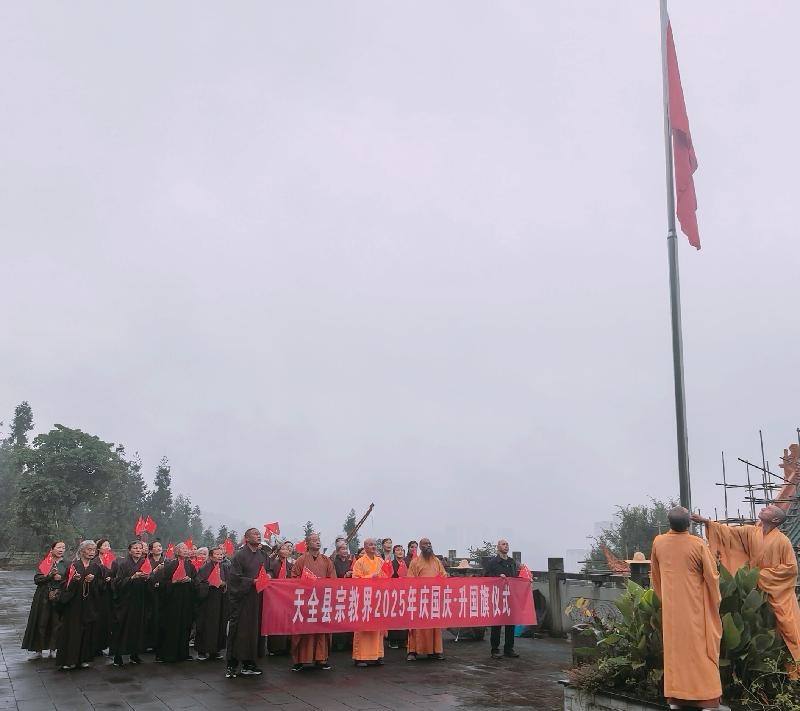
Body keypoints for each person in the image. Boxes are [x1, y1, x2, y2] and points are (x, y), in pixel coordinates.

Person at [693, 506, 800, 676]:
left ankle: (793, 672)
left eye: (769, 509)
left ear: (775, 520)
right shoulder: (752, 532)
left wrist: (758, 575)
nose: (764, 508)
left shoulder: (783, 541)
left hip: (778, 593)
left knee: (788, 630)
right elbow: (728, 533)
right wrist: (707, 522)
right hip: (754, 591)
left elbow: (790, 569)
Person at [653, 507, 722, 710]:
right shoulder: (698, 544)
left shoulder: (658, 542)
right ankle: (706, 697)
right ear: (689, 524)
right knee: (701, 651)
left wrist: (666, 598)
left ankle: (677, 697)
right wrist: (714, 600)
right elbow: (712, 577)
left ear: (669, 523)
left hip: (671, 610)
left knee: (675, 652)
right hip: (695, 607)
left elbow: (655, 576)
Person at [56, 540, 104, 670]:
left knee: (87, 631)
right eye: (89, 549)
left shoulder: (96, 567)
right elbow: (64, 585)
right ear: (82, 551)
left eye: (93, 550)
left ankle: (84, 659)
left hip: (89, 604)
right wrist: (74, 581)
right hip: (74, 605)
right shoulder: (73, 566)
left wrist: (93, 581)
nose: (91, 552)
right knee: (73, 632)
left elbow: (101, 586)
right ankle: (69, 660)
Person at [290, 532, 335, 672]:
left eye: (318, 540)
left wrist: (322, 584)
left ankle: (321, 659)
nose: (317, 542)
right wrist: (307, 582)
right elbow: (294, 578)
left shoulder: (327, 561)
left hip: (321, 600)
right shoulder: (301, 560)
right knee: (304, 630)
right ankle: (300, 660)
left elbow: (333, 580)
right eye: (314, 540)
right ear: (307, 544)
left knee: (321, 630)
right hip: (305, 601)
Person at [225, 527, 266, 678]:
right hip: (242, 599)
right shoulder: (239, 555)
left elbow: (268, 570)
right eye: (255, 534)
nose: (258, 536)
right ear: (247, 538)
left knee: (254, 631)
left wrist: (268, 575)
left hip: (257, 598)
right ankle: (232, 665)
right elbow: (234, 579)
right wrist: (252, 581)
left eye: (259, 534)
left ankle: (249, 663)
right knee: (239, 631)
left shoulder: (262, 555)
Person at [22, 541, 68, 660]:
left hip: (58, 596)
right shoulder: (47, 562)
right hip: (43, 596)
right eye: (58, 547)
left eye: (63, 548)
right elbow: (37, 579)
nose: (61, 549)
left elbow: (69, 579)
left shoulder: (66, 563)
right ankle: (38, 650)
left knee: (56, 623)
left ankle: (54, 649)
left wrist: (61, 578)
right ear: (52, 549)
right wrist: (50, 576)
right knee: (41, 622)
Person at [406, 537, 447, 661]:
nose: (428, 545)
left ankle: (435, 651)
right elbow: (410, 580)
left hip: (433, 599)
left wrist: (440, 580)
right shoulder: (415, 562)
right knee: (416, 626)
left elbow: (443, 575)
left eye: (429, 543)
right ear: (420, 547)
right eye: (425, 544)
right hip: (420, 599)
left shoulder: (437, 561)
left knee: (434, 626)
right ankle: (412, 651)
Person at [111, 541, 150, 666]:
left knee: (137, 627)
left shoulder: (144, 562)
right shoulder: (123, 564)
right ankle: (118, 655)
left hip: (140, 600)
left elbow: (150, 581)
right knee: (122, 627)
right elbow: (117, 583)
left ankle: (134, 654)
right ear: (129, 551)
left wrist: (147, 578)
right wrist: (132, 578)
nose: (138, 550)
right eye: (135, 548)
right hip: (125, 601)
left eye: (140, 548)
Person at [156, 542, 196, 663]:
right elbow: (162, 584)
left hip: (186, 601)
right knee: (171, 627)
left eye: (186, 549)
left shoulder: (191, 566)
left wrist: (190, 580)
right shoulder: (170, 565)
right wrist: (174, 582)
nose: (185, 550)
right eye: (182, 549)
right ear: (177, 551)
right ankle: (168, 654)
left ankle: (183, 653)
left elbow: (197, 582)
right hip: (172, 601)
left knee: (185, 626)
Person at [351, 538, 386, 667]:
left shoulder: (380, 561)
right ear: (365, 547)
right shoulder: (359, 562)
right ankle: (360, 657)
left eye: (374, 544)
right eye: (370, 545)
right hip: (364, 599)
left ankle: (377, 655)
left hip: (377, 598)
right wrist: (370, 577)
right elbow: (355, 580)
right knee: (363, 628)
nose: (373, 547)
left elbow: (386, 577)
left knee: (377, 628)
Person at [484, 539, 520, 659]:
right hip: (497, 596)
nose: (506, 546)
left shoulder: (512, 562)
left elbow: (516, 577)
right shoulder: (493, 562)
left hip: (510, 596)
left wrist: (526, 580)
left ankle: (509, 649)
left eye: (507, 544)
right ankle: (495, 650)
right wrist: (498, 577)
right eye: (503, 544)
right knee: (497, 624)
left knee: (510, 624)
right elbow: (486, 577)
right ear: (498, 547)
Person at [195, 546, 229, 661]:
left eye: (221, 554)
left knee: (219, 624)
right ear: (210, 556)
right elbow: (198, 584)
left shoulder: (225, 567)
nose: (220, 556)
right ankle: (202, 651)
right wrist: (209, 584)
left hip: (221, 600)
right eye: (217, 554)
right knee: (205, 625)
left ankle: (215, 650)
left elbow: (230, 581)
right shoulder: (204, 568)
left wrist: (224, 583)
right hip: (207, 601)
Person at [267, 541, 294, 656]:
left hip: (288, 596)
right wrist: (269, 576)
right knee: (276, 620)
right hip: (275, 596)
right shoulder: (273, 564)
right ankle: (275, 648)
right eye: (283, 549)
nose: (285, 551)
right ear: (278, 551)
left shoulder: (291, 565)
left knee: (287, 621)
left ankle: (287, 646)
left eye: (287, 549)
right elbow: (270, 574)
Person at [93, 538, 117, 656]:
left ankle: (105, 644)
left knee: (108, 619)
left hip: (109, 593)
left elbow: (117, 575)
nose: (108, 547)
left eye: (109, 545)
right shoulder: (95, 561)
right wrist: (102, 580)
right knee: (97, 619)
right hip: (97, 594)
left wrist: (111, 579)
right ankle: (95, 646)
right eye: (105, 545)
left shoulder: (113, 561)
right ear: (98, 548)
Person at [387, 544, 408, 650]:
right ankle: (393, 640)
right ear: (394, 552)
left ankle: (403, 640)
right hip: (393, 593)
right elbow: (387, 577)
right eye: (398, 550)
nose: (400, 552)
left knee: (404, 617)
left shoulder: (406, 564)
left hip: (404, 593)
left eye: (402, 550)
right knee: (394, 617)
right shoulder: (391, 564)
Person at [145, 541, 165, 651]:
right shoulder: (147, 561)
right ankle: (148, 643)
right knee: (149, 617)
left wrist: (162, 584)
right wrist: (156, 570)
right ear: (151, 550)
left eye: (160, 546)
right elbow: (144, 576)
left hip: (162, 594)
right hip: (149, 594)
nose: (158, 548)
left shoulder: (166, 561)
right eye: (156, 547)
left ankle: (159, 643)